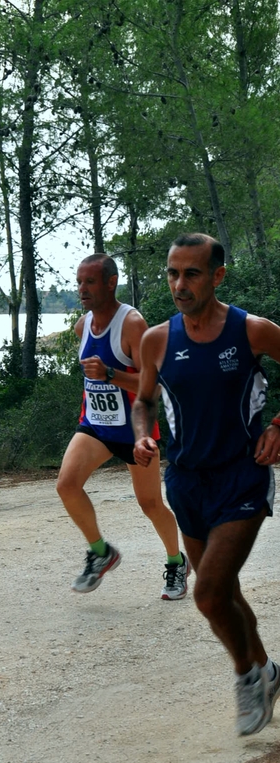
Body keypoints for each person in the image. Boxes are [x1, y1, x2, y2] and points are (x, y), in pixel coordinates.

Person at [132, 232, 280, 736]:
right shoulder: (157, 339)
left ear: (217, 276)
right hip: (186, 480)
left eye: (191, 273)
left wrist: (278, 427)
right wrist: (142, 437)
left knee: (208, 592)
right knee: (225, 590)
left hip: (242, 474)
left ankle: (245, 677)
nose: (179, 283)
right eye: (173, 273)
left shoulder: (252, 331)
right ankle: (266, 669)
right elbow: (144, 401)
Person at [56, 253, 189, 599]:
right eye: (79, 282)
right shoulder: (82, 326)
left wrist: (112, 374)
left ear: (111, 282)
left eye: (90, 282)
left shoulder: (131, 324)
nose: (82, 289)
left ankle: (177, 562)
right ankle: (101, 553)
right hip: (96, 427)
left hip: (135, 431)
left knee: (150, 504)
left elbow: (153, 384)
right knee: (66, 486)